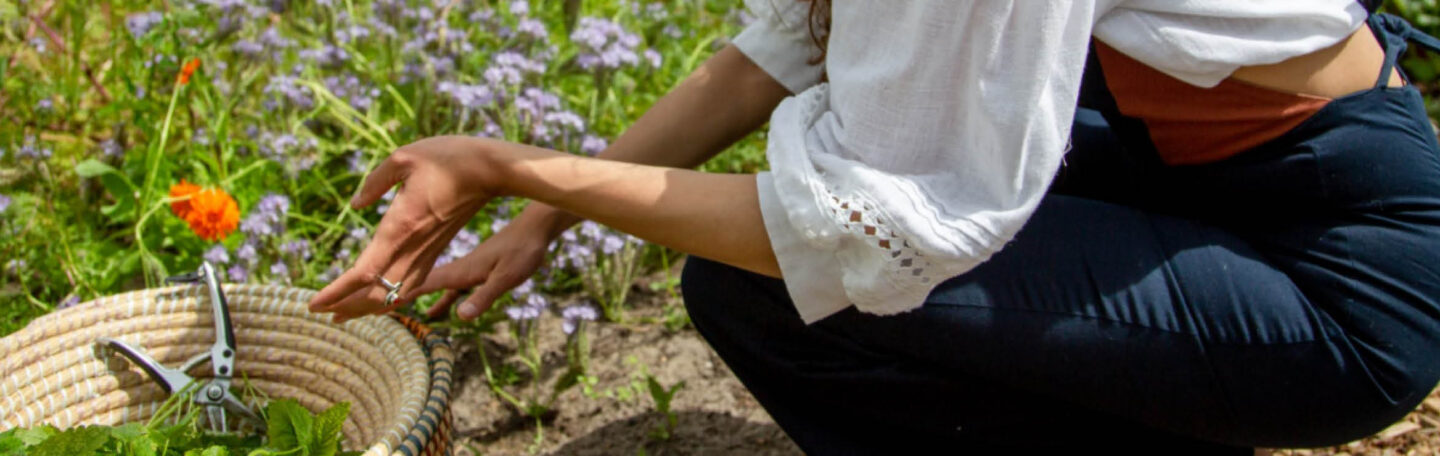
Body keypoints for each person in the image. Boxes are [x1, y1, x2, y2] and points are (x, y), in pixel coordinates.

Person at [307, 0, 1440, 453]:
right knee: (755, 273)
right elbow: (771, 57)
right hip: (1202, 184)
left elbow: (872, 231)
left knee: (782, 286)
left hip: (1340, 275)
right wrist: (540, 218)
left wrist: (507, 163)